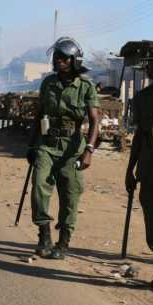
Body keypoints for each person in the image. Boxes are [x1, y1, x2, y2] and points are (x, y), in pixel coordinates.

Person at [27, 37, 100, 259]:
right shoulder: (48, 83)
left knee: (70, 195)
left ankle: (63, 243)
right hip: (47, 144)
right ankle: (44, 235)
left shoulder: (85, 86)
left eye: (63, 57)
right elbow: (40, 114)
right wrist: (32, 145)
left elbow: (95, 120)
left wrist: (89, 150)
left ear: (74, 60)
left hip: (73, 148)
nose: (58, 61)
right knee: (39, 186)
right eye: (56, 57)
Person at [126, 45, 153, 289]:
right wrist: (129, 170)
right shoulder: (143, 98)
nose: (146, 67)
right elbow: (139, 137)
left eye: (151, 62)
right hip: (151, 167)